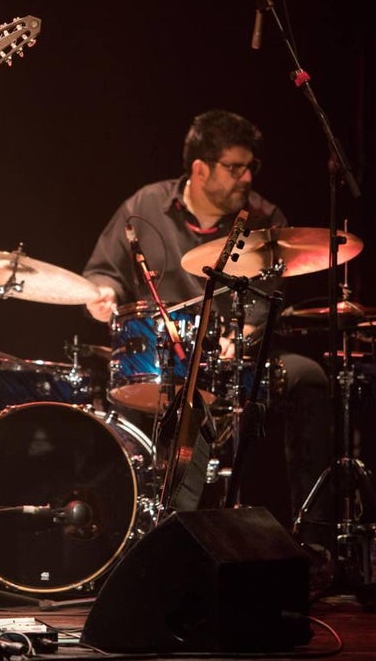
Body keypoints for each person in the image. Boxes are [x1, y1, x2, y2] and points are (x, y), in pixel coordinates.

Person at [82, 108, 332, 523]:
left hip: (238, 358)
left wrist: (245, 333)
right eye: (234, 168)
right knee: (113, 393)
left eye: (251, 167)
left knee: (310, 376)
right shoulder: (145, 205)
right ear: (200, 169)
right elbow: (105, 272)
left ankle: (308, 527)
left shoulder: (266, 220)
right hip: (157, 362)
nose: (247, 178)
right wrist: (103, 293)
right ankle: (127, 522)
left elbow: (264, 300)